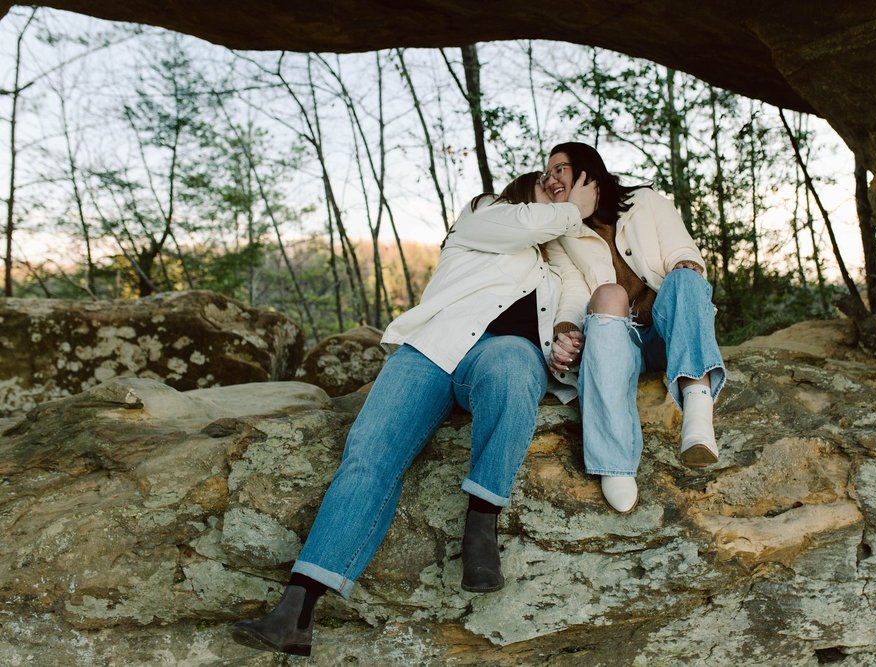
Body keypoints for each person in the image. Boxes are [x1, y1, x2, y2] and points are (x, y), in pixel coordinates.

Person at [230, 171, 597, 657]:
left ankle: (481, 527)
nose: (555, 192)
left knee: (513, 362)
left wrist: (568, 327)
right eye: (545, 186)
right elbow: (525, 222)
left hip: (500, 356)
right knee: (368, 455)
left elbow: (576, 290)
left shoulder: (553, 260)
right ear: (521, 194)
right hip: (434, 346)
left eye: (562, 189)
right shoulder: (484, 216)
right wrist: (574, 208)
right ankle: (294, 612)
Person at [542, 142, 726, 514]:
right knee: (608, 293)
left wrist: (685, 266)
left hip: (667, 331)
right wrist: (565, 326)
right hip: (619, 342)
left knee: (685, 277)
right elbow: (575, 290)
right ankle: (614, 460)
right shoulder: (563, 235)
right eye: (546, 175)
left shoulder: (645, 202)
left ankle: (697, 410)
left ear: (585, 169)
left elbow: (681, 248)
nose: (550, 180)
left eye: (558, 169)